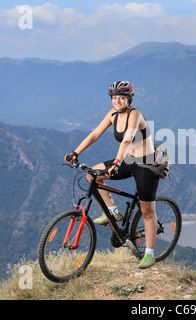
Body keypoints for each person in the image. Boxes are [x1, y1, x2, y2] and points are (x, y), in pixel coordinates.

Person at [65, 80, 159, 269]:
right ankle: (113, 213)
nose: (117, 101)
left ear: (128, 99)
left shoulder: (135, 115)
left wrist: (116, 163)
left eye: (121, 98)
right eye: (115, 98)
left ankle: (149, 254)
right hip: (127, 160)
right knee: (92, 175)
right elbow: (94, 134)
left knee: (147, 211)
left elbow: (126, 140)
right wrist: (75, 152)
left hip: (145, 164)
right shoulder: (112, 114)